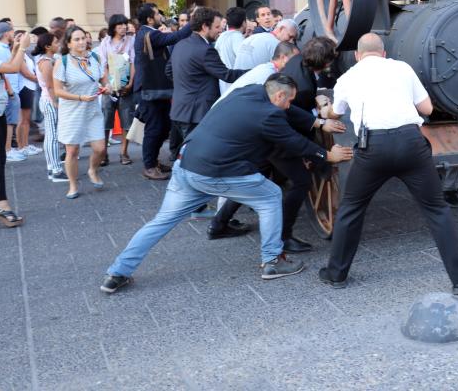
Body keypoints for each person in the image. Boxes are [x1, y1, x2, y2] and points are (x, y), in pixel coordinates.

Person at [99, 74, 353, 293]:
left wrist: (317, 122)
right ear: (278, 96)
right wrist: (326, 155)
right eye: (288, 101)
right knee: (270, 196)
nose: (289, 106)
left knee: (161, 222)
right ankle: (272, 261)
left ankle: (117, 272)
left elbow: (290, 112)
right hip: (216, 172)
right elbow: (293, 142)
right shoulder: (269, 115)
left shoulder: (249, 90)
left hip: (186, 164)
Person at [319, 33, 458, 296]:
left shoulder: (347, 78)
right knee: (437, 210)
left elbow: (336, 113)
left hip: (372, 147)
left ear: (357, 55)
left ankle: (336, 274)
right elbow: (427, 109)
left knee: (351, 209)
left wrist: (325, 110)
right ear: (384, 53)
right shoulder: (403, 68)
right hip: (411, 143)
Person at [210, 36, 337, 248]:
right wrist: (314, 153)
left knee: (254, 176)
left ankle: (218, 224)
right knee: (302, 181)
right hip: (276, 137)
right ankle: (283, 237)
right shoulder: (304, 87)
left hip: (264, 131)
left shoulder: (296, 60)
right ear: (325, 63)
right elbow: (294, 121)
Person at [166, 7, 248, 151]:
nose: (220, 30)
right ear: (205, 26)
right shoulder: (205, 50)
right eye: (217, 27)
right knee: (197, 153)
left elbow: (168, 71)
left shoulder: (180, 44)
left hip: (180, 110)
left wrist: (186, 84)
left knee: (188, 153)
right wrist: (255, 71)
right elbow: (227, 75)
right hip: (196, 114)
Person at [134, 3, 192, 180]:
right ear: (150, 19)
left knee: (164, 126)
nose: (160, 16)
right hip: (149, 90)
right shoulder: (150, 34)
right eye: (157, 14)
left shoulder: (148, 33)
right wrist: (194, 20)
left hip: (156, 89)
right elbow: (178, 36)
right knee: (154, 129)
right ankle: (149, 166)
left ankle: (153, 161)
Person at [53, 26, 109, 199]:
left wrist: (107, 87)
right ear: (69, 44)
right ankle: (73, 184)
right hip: (72, 112)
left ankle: (92, 170)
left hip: (92, 110)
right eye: (76, 39)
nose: (81, 42)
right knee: (72, 151)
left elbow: (104, 79)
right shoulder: (62, 62)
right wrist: (79, 97)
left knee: (100, 148)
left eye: (83, 38)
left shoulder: (95, 57)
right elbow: (57, 91)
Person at [0, 25, 31, 227]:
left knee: (0, 159)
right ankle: (2, 205)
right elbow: (12, 69)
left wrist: (16, 49)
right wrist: (23, 48)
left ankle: (2, 204)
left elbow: (7, 66)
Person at [97, 14, 135, 166]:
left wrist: (130, 83)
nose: (124, 27)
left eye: (125, 24)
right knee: (106, 121)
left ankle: (124, 152)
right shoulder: (105, 42)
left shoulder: (131, 41)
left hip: (126, 88)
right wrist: (108, 85)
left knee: (127, 121)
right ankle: (103, 153)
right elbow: (103, 65)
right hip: (109, 89)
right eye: (120, 25)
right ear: (113, 27)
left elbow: (133, 63)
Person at [32, 33, 67, 182]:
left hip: (48, 100)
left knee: (51, 136)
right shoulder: (46, 62)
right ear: (47, 46)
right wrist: (56, 103)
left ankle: (52, 168)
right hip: (50, 101)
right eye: (55, 42)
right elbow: (50, 86)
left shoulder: (48, 59)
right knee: (52, 136)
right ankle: (56, 170)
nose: (58, 44)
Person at [215, 41, 298, 105]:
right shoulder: (268, 74)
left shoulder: (267, 69)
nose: (297, 63)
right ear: (283, 58)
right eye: (295, 59)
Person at [0, 25, 25, 164]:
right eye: (12, 31)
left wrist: (14, 51)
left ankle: (7, 151)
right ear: (6, 33)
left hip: (4, 98)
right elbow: (12, 69)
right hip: (6, 94)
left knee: (9, 122)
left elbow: (5, 68)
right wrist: (22, 48)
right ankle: (7, 150)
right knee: (10, 123)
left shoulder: (3, 49)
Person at [14, 30, 42, 157]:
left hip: (29, 87)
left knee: (25, 120)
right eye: (25, 37)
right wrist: (41, 79)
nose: (28, 39)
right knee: (23, 120)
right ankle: (22, 146)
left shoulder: (24, 53)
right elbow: (26, 73)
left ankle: (24, 145)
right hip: (24, 88)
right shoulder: (19, 54)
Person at [233, 19, 298, 70]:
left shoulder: (254, 37)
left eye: (293, 39)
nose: (291, 41)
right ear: (281, 29)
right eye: (290, 36)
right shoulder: (276, 44)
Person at [214, 7, 247, 93]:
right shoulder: (238, 37)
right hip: (235, 85)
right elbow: (244, 59)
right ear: (244, 23)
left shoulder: (221, 36)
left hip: (223, 84)